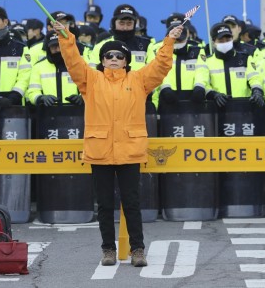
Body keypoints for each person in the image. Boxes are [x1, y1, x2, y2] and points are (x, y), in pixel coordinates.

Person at [53, 18, 183, 268]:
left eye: (119, 55)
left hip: (130, 151)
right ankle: (108, 250)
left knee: (132, 203)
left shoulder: (139, 80)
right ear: (102, 61)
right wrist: (66, 37)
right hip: (100, 150)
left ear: (126, 61)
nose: (113, 58)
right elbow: (73, 61)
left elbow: (161, 65)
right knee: (104, 205)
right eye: (108, 55)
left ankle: (138, 250)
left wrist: (169, 41)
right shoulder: (90, 80)